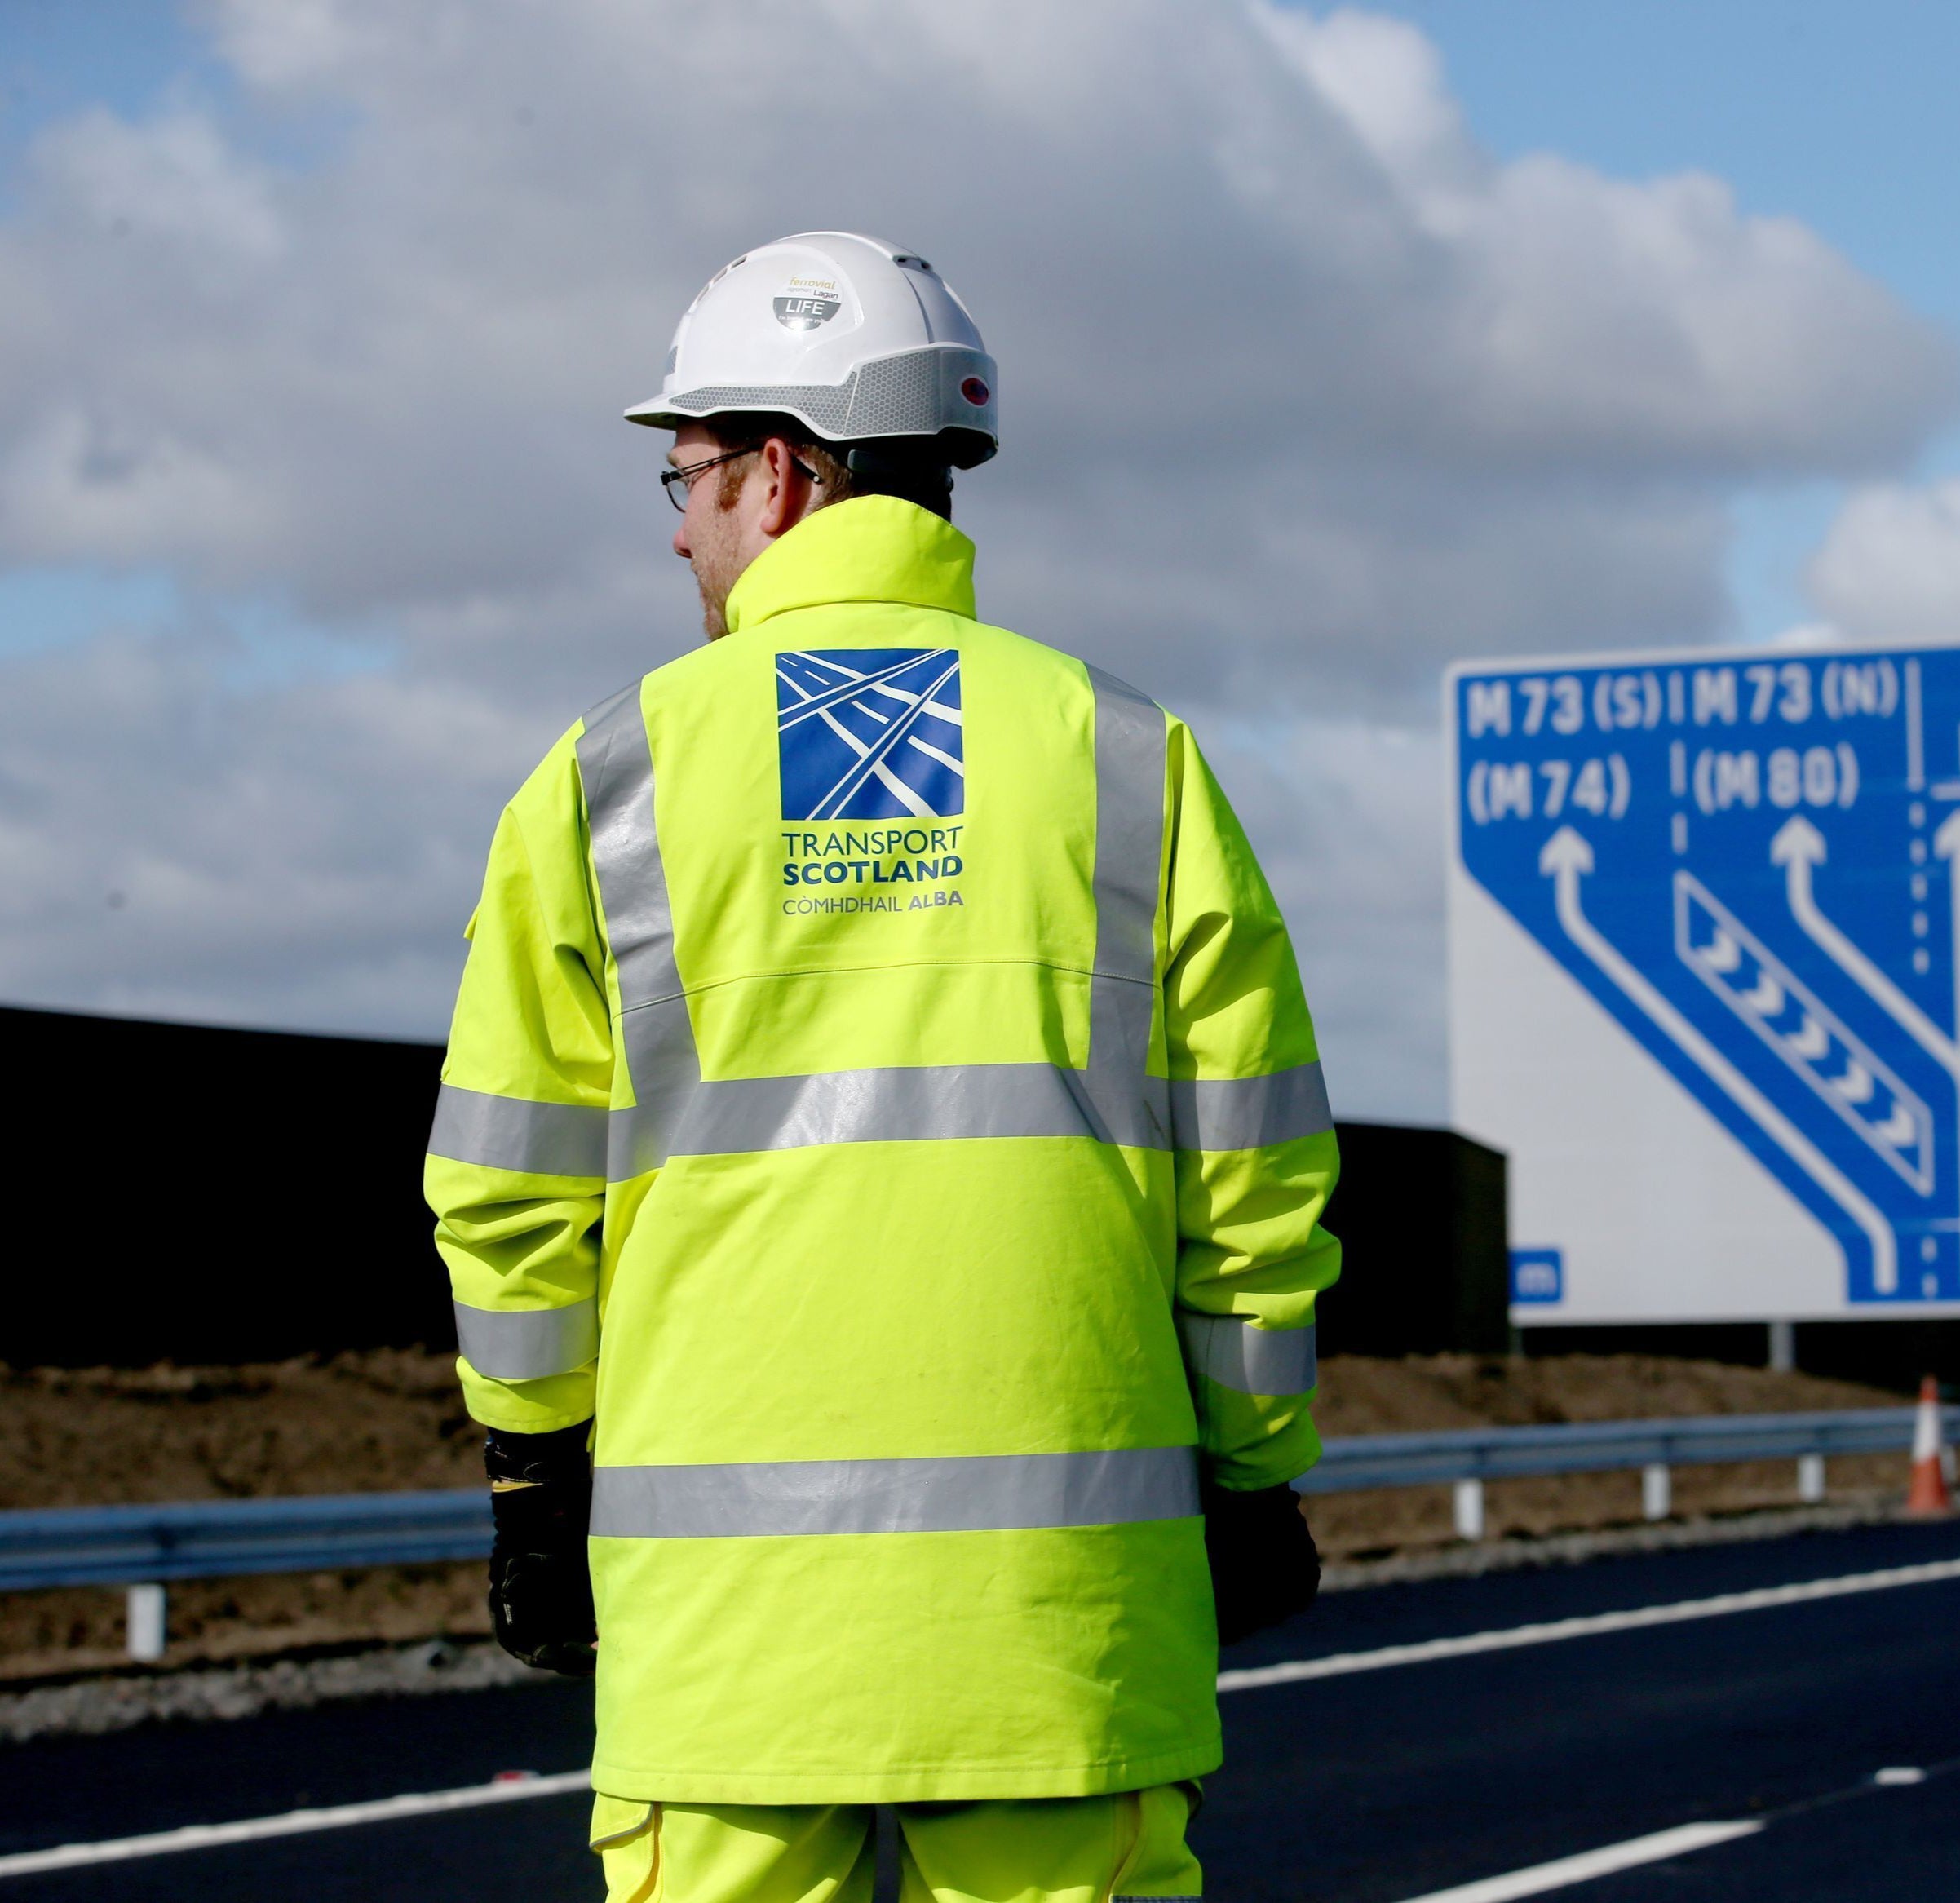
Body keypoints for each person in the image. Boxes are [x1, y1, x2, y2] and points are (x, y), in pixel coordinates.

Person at [424, 232, 1338, 1903]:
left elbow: (509, 1192)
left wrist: (533, 1478)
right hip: (1057, 1644)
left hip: (726, 1658)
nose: (680, 524)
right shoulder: (1132, 766)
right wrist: (1256, 1468)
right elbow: (1254, 1186)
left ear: (778, 472)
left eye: (684, 475)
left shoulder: (603, 784)